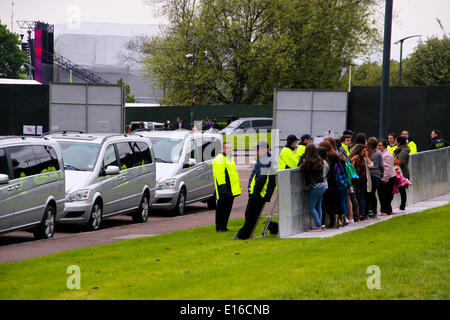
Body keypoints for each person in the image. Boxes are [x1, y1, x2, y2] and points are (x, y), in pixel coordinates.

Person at [232, 142, 276, 240]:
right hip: (261, 193)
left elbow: (261, 179)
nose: (256, 151)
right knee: (253, 215)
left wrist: (254, 192)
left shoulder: (264, 161)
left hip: (258, 193)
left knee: (250, 215)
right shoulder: (267, 160)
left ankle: (243, 235)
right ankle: (246, 234)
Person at [212, 142, 242, 232]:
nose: (230, 150)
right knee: (221, 208)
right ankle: (219, 227)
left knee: (227, 208)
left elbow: (234, 174)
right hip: (224, 189)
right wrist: (223, 189)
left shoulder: (229, 158)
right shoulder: (219, 159)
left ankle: (224, 226)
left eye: (230, 148)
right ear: (223, 149)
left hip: (231, 189)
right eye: (228, 148)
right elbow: (220, 175)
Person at [299, 144, 329, 232]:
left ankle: (318, 225)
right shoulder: (320, 160)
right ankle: (320, 224)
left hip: (315, 187)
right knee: (318, 206)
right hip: (322, 185)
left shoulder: (309, 162)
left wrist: (302, 160)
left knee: (311, 207)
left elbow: (301, 168)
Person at [318, 140, 346, 228]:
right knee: (336, 201)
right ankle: (341, 218)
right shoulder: (337, 156)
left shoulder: (327, 157)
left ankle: (333, 219)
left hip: (329, 182)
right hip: (338, 182)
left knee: (326, 203)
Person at [350, 144, 373, 221]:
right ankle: (356, 213)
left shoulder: (364, 159)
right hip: (356, 181)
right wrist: (352, 160)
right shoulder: (355, 158)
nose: (365, 152)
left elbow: (371, 165)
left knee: (362, 197)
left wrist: (367, 157)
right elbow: (349, 167)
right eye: (363, 151)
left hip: (363, 181)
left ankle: (362, 213)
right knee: (356, 197)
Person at [377, 139, 396, 216]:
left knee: (386, 195)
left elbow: (387, 168)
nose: (378, 147)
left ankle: (385, 210)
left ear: (384, 146)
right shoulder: (381, 153)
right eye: (377, 145)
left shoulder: (386, 155)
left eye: (380, 145)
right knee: (384, 195)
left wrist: (384, 179)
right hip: (386, 177)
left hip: (388, 178)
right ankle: (387, 210)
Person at [366, 139, 384, 218]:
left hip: (369, 174)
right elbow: (381, 165)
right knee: (373, 193)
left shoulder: (367, 153)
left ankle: (370, 209)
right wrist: (382, 173)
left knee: (369, 193)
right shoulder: (379, 153)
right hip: (376, 174)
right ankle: (374, 210)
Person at [393, 136, 410, 212]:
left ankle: (402, 206)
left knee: (402, 189)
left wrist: (394, 161)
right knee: (401, 189)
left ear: (399, 143)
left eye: (396, 141)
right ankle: (402, 206)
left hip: (401, 172)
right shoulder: (400, 150)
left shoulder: (403, 151)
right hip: (399, 171)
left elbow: (400, 161)